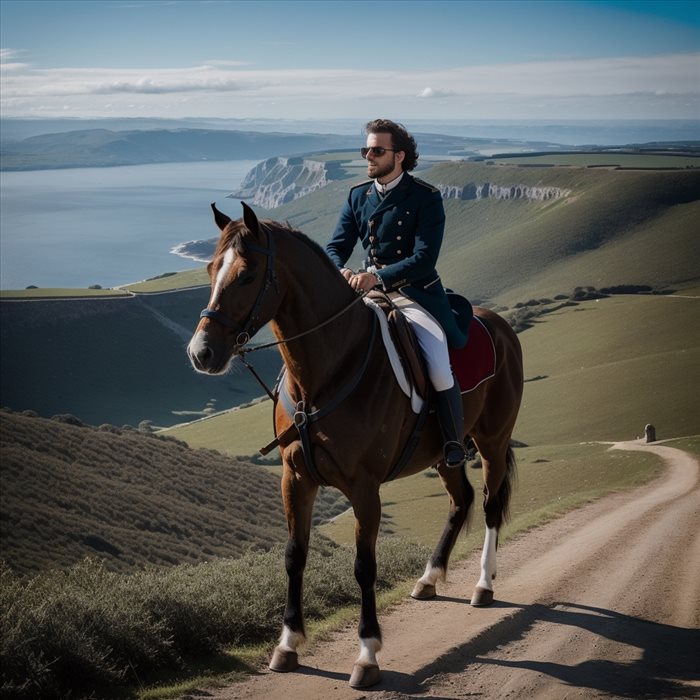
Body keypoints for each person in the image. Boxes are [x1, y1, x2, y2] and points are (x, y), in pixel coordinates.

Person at [326, 118, 468, 468]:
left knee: (437, 362)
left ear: (399, 155)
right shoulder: (358, 195)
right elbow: (335, 246)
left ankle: (453, 441)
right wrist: (340, 269)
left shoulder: (425, 197)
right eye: (366, 150)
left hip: (415, 294)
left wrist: (375, 275)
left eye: (377, 150)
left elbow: (424, 259)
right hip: (364, 291)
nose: (369, 157)